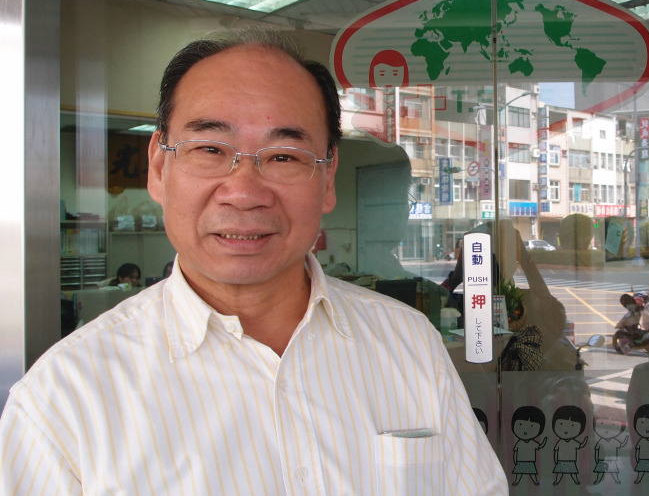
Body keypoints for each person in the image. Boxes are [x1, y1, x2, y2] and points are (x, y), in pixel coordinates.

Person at [0, 27, 507, 495]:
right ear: (158, 167)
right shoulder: (62, 401)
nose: (243, 193)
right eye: (209, 149)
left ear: (327, 178)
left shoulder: (409, 344)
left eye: (283, 156)